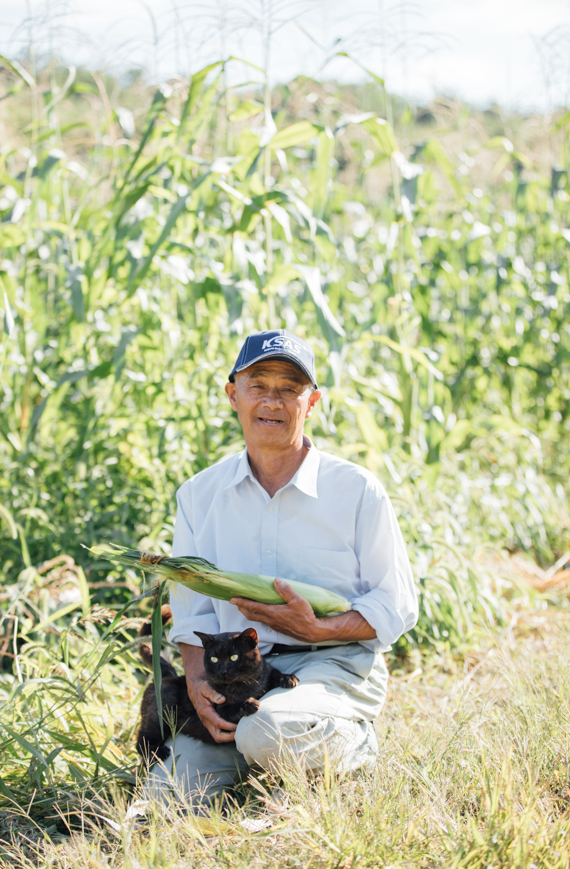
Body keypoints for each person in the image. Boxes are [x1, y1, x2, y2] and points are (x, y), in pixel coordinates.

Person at [148, 329, 418, 807]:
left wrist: (317, 629)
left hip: (332, 664)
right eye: (258, 385)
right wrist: (195, 682)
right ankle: (269, 755)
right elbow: (192, 619)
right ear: (234, 395)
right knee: (167, 796)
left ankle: (352, 742)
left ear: (311, 402)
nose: (272, 400)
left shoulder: (356, 490)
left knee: (264, 730)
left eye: (289, 388)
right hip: (236, 682)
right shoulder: (198, 496)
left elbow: (394, 606)